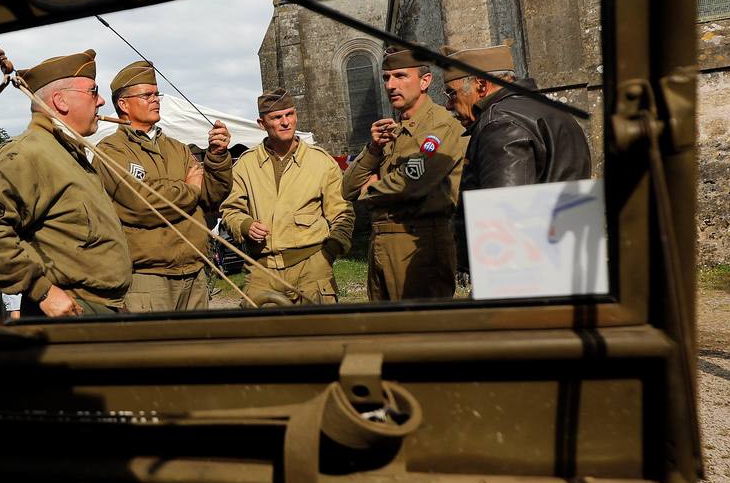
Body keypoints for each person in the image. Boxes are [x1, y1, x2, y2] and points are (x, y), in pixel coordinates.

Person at [0, 49, 131, 317]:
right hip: (68, 310)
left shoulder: (66, 153)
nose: (102, 101)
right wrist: (42, 290)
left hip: (98, 308)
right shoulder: (26, 153)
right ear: (60, 101)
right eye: (93, 91)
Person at [94, 60, 232, 312]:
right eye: (147, 95)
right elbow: (143, 202)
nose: (156, 99)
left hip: (194, 271)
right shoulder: (110, 150)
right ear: (123, 104)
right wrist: (189, 188)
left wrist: (217, 156)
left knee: (197, 349)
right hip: (147, 277)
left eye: (157, 94)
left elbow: (212, 198)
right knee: (154, 350)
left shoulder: (177, 147)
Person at [341, 47, 466, 301]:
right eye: (386, 78)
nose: (390, 85)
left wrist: (369, 191)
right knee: (384, 333)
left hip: (418, 242)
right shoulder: (393, 131)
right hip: (381, 242)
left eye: (400, 76)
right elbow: (347, 188)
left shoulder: (440, 125)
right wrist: (374, 149)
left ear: (425, 81)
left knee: (421, 331)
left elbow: (411, 182)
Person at [220, 89, 353, 305]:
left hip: (312, 268)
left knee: (318, 335)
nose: (285, 122)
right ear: (261, 124)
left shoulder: (321, 162)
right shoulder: (246, 164)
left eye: (289, 114)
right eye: (276, 117)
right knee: (262, 336)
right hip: (262, 269)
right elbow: (230, 209)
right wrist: (245, 225)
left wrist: (328, 254)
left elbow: (343, 213)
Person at [443, 44, 592, 190]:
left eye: (452, 94)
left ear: (481, 85)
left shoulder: (500, 123)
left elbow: (505, 205)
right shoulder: (556, 111)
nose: (448, 105)